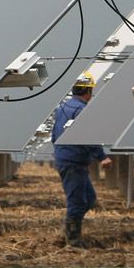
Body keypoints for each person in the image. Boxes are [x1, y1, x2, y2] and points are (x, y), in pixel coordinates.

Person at [51, 71, 112, 248]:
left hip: (71, 160)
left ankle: (68, 231)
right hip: (72, 162)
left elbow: (55, 135)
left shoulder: (62, 108)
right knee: (77, 201)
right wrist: (102, 157)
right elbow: (86, 136)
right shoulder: (81, 110)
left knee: (89, 198)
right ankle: (73, 242)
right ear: (88, 92)